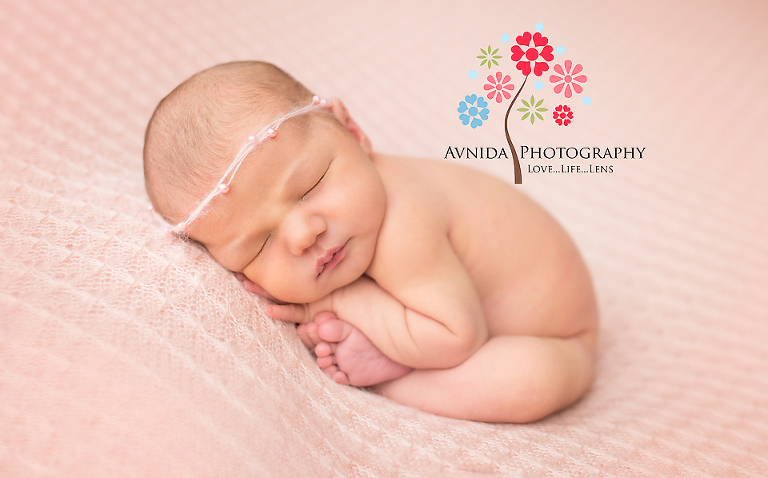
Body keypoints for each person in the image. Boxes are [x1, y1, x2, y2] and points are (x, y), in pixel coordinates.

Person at [143, 61, 599, 423]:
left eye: (310, 185)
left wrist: (344, 298)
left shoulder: (403, 220)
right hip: (461, 314)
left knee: (528, 381)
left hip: (555, 335)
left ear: (353, 132)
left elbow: (457, 338)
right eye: (258, 246)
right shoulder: (357, 221)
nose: (304, 235)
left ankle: (392, 380)